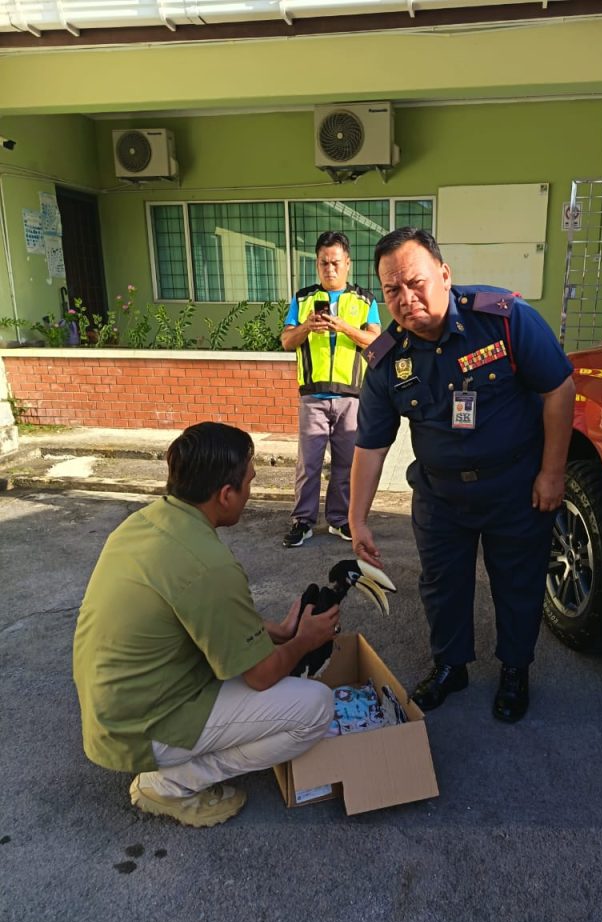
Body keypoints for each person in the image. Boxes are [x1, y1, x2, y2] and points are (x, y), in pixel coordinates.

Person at [349, 228, 575, 723]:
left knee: (517, 583)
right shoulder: (388, 358)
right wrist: (357, 518)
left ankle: (514, 670)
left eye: (415, 282)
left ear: (445, 274)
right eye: (392, 290)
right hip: (440, 495)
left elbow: (559, 388)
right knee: (442, 585)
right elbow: (371, 444)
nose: (406, 298)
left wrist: (552, 473)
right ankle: (451, 666)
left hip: (515, 487)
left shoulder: (504, 320)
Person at [72, 421, 339, 827]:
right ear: (226, 494)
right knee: (316, 707)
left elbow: (197, 611)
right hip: (141, 727)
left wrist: (279, 632)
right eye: (249, 482)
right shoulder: (209, 565)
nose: (250, 492)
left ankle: (172, 763)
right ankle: (172, 783)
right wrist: (304, 640)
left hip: (113, 709)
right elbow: (262, 676)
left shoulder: (146, 522)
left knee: (261, 666)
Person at [280, 230, 381, 548]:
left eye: (336, 262)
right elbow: (286, 341)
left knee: (346, 464)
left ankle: (339, 520)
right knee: (308, 464)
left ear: (348, 263)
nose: (330, 269)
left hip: (351, 397)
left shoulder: (365, 300)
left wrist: (344, 327)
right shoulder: (303, 299)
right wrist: (307, 326)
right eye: (324, 263)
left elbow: (377, 343)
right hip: (313, 396)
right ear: (317, 264)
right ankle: (302, 520)